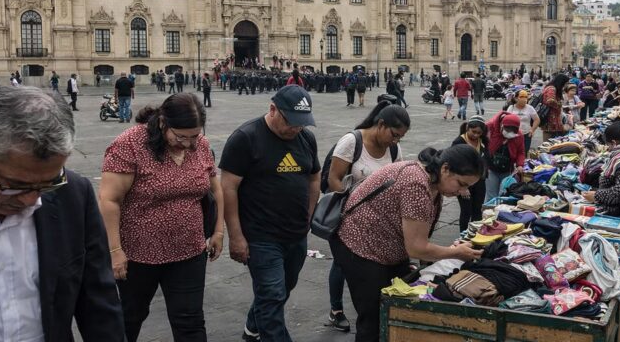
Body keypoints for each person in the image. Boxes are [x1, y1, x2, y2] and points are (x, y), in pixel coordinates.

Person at [0, 87, 124, 341]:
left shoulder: (73, 194)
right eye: (14, 185)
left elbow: (99, 303)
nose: (32, 199)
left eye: (47, 183)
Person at [99, 92, 223, 342]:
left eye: (194, 137)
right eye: (181, 137)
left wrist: (218, 231)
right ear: (164, 123)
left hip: (189, 251)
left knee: (190, 321)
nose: (188, 144)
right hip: (138, 255)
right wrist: (114, 251)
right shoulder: (131, 143)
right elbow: (109, 200)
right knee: (129, 317)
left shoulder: (201, 144)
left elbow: (215, 188)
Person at [331, 145, 485, 342]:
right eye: (461, 184)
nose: (464, 192)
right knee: (373, 319)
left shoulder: (431, 182)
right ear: (445, 168)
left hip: (387, 246)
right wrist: (456, 252)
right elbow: (417, 248)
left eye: (467, 187)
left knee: (394, 309)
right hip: (361, 249)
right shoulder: (416, 185)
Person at [220, 85, 321, 342]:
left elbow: (313, 177)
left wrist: (309, 215)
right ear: (273, 109)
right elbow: (228, 188)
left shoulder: (306, 138)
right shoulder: (246, 137)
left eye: (302, 123)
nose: (296, 128)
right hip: (260, 235)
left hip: (296, 233)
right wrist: (236, 236)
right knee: (272, 294)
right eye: (291, 122)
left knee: (283, 288)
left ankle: (253, 327)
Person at [325, 101, 409, 332]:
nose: (396, 141)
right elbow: (334, 179)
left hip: (380, 223)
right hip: (349, 218)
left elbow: (399, 177)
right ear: (381, 124)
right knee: (342, 264)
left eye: (400, 137)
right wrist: (352, 209)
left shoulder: (393, 149)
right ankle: (336, 309)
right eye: (394, 134)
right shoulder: (352, 141)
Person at [451, 115, 490, 231]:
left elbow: (486, 159)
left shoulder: (483, 141)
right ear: (467, 128)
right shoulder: (458, 142)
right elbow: (454, 165)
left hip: (479, 181)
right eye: (474, 132)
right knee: (466, 211)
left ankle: (475, 234)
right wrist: (462, 187)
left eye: (479, 133)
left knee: (477, 210)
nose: (476, 135)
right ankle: (463, 236)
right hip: (464, 183)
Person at [484, 111, 525, 200]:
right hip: (491, 169)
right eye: (507, 130)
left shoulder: (519, 135)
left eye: (512, 131)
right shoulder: (490, 127)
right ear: (502, 125)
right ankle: (489, 212)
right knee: (491, 195)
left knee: (504, 195)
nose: (509, 133)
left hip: (507, 170)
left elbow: (521, 152)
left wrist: (520, 165)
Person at [506, 90, 540, 154]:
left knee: (523, 153)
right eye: (521, 97)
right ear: (516, 98)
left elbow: (537, 120)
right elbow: (506, 120)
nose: (524, 99)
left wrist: (532, 130)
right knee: (512, 153)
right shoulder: (511, 108)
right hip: (513, 135)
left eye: (526, 97)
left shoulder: (530, 108)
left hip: (526, 134)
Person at [540, 74, 568, 141]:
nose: (565, 85)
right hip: (551, 117)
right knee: (549, 138)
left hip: (551, 117)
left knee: (550, 136)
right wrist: (559, 104)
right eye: (565, 83)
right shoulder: (552, 88)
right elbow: (550, 101)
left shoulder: (550, 87)